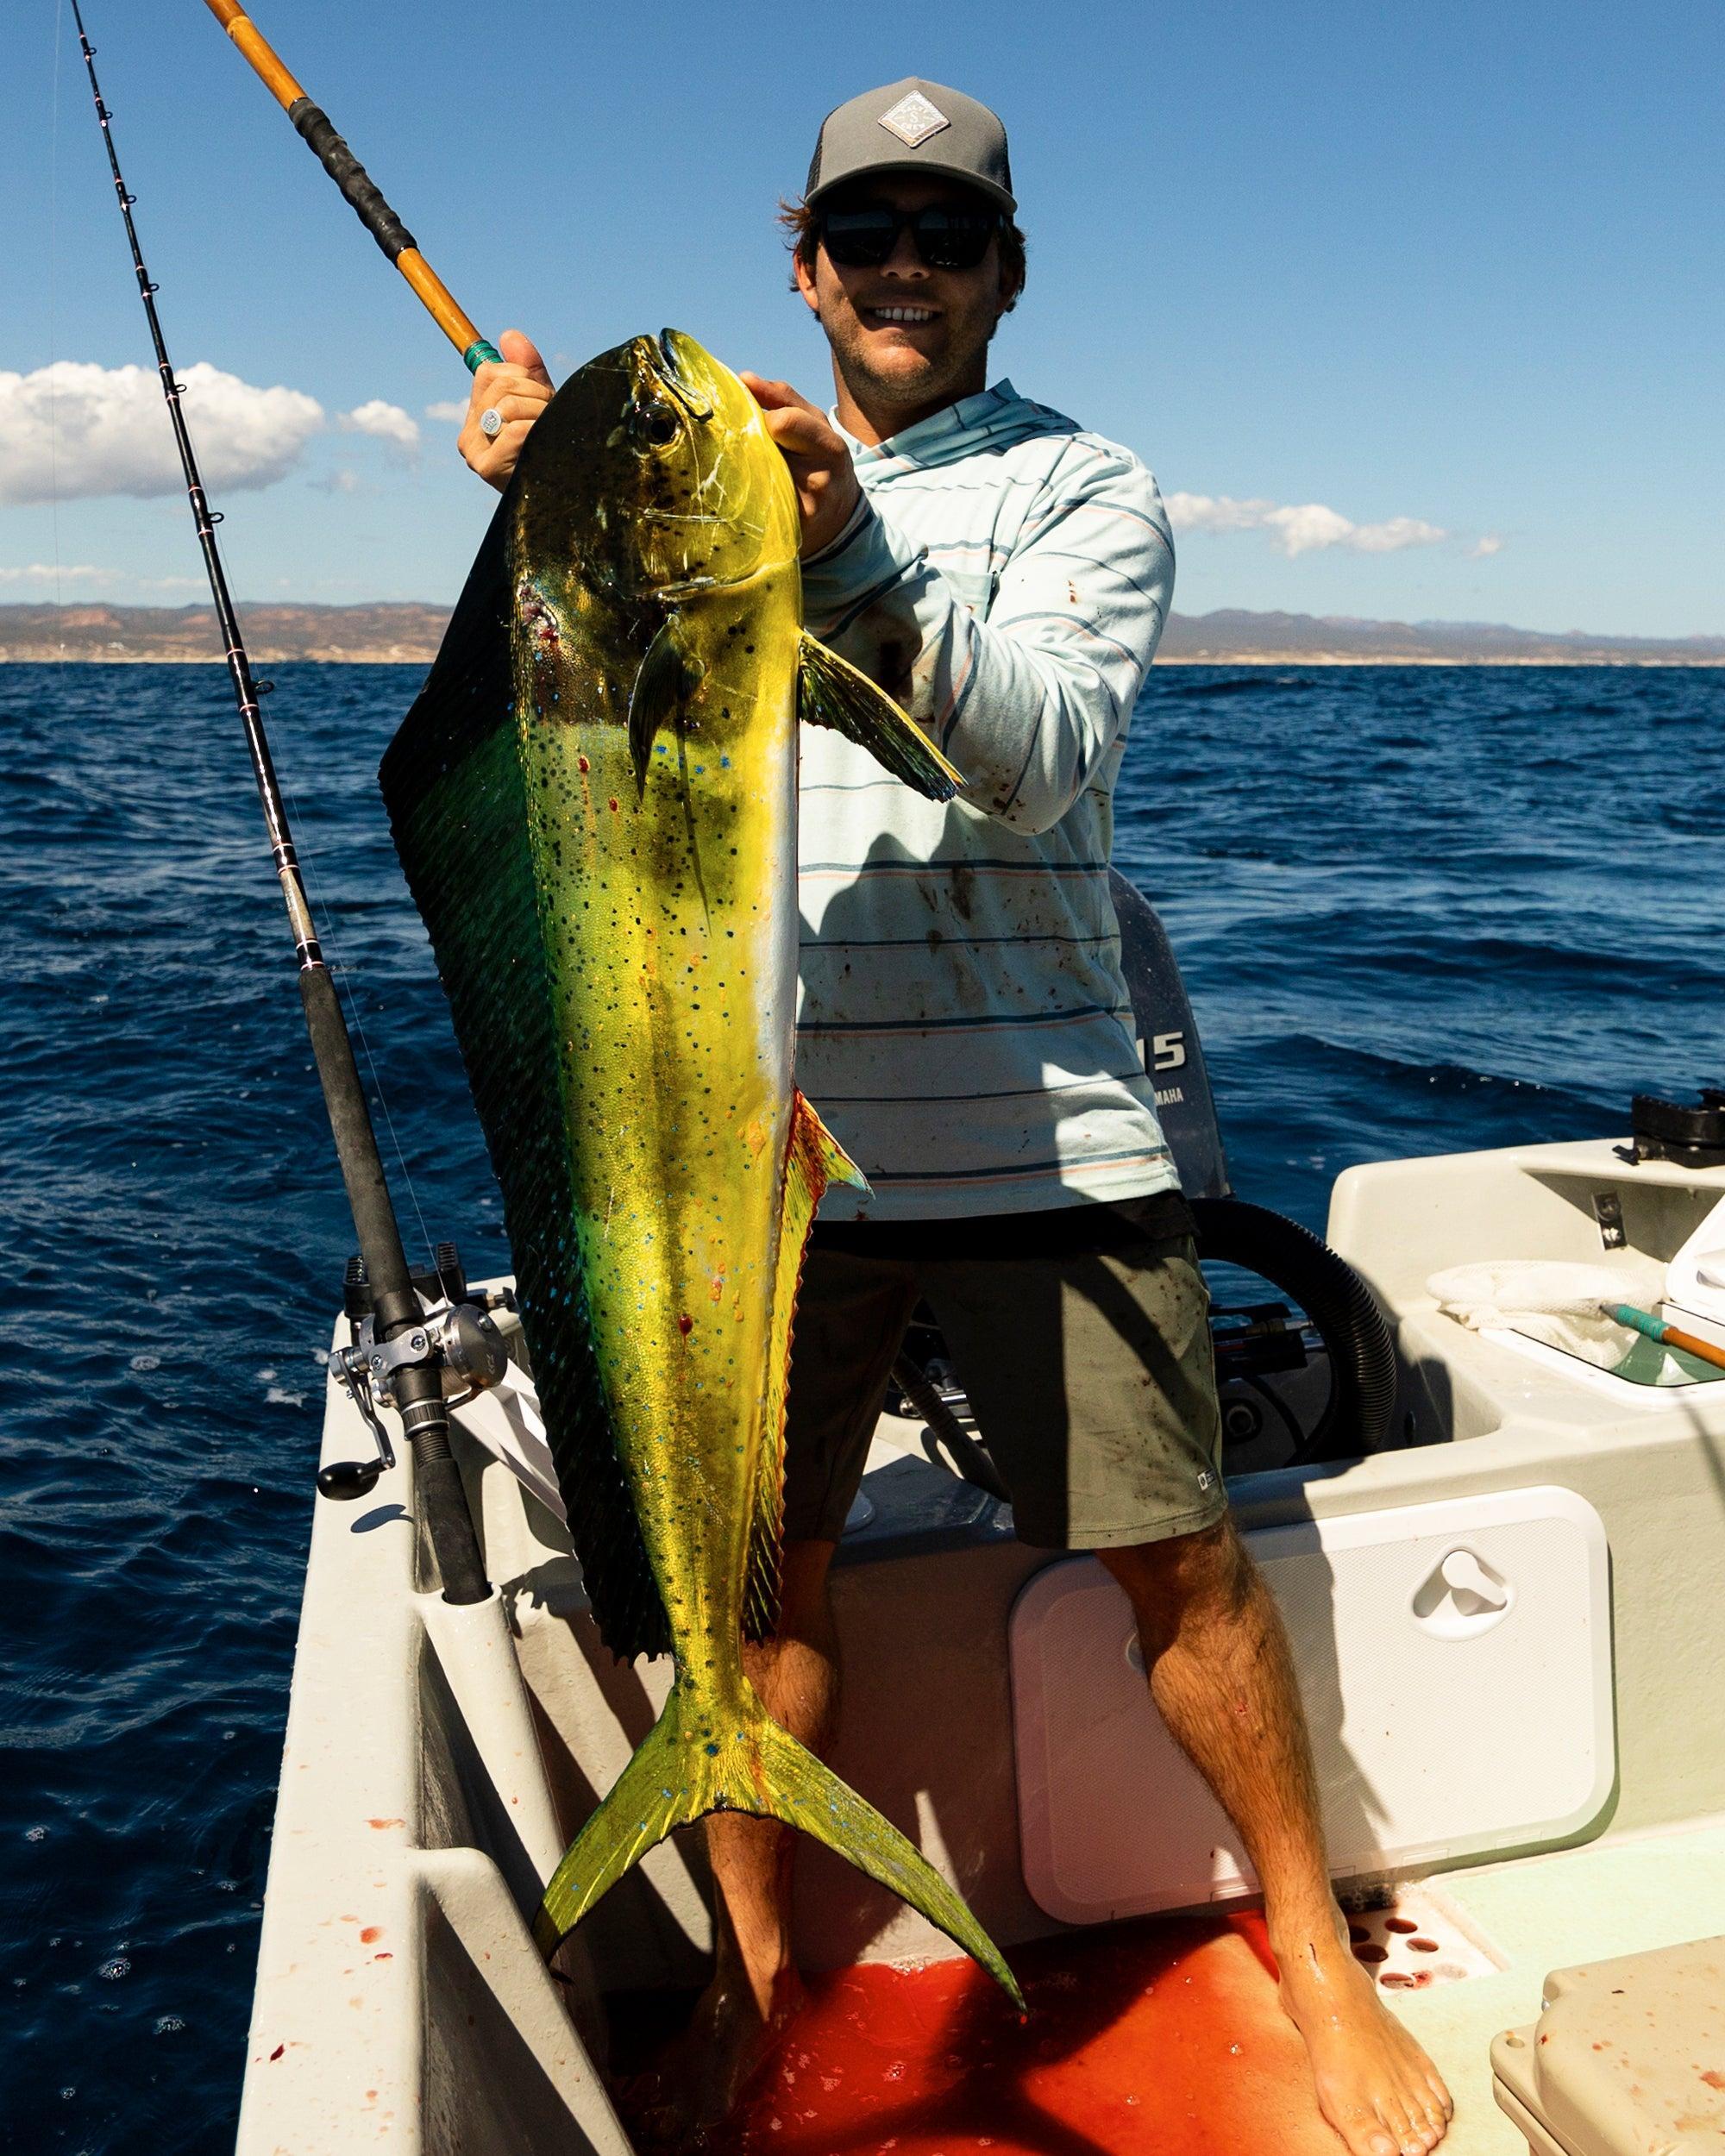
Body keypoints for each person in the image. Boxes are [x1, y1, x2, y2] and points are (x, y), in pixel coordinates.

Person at [458, 77, 1453, 2156]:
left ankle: (1310, 1947)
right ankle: (750, 1976)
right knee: (756, 1594)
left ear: (1005, 272)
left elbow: (1031, 750)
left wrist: (832, 540)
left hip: (1046, 1131)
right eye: (866, 231)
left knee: (1179, 1566)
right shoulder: (727, 478)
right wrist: (548, 509)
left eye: (947, 235)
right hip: (751, 1164)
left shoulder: (1084, 489)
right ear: (801, 261)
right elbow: (583, 729)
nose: (903, 265)